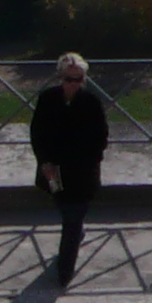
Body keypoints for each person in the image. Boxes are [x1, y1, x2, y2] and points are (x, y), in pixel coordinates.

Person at [29, 52, 108, 288]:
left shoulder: (91, 102)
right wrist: (44, 163)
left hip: (82, 173)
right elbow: (37, 133)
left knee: (72, 220)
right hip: (54, 171)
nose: (73, 84)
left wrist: (90, 161)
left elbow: (100, 137)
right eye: (68, 78)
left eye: (78, 79)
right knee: (66, 211)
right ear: (60, 77)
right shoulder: (47, 99)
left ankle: (64, 271)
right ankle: (73, 240)